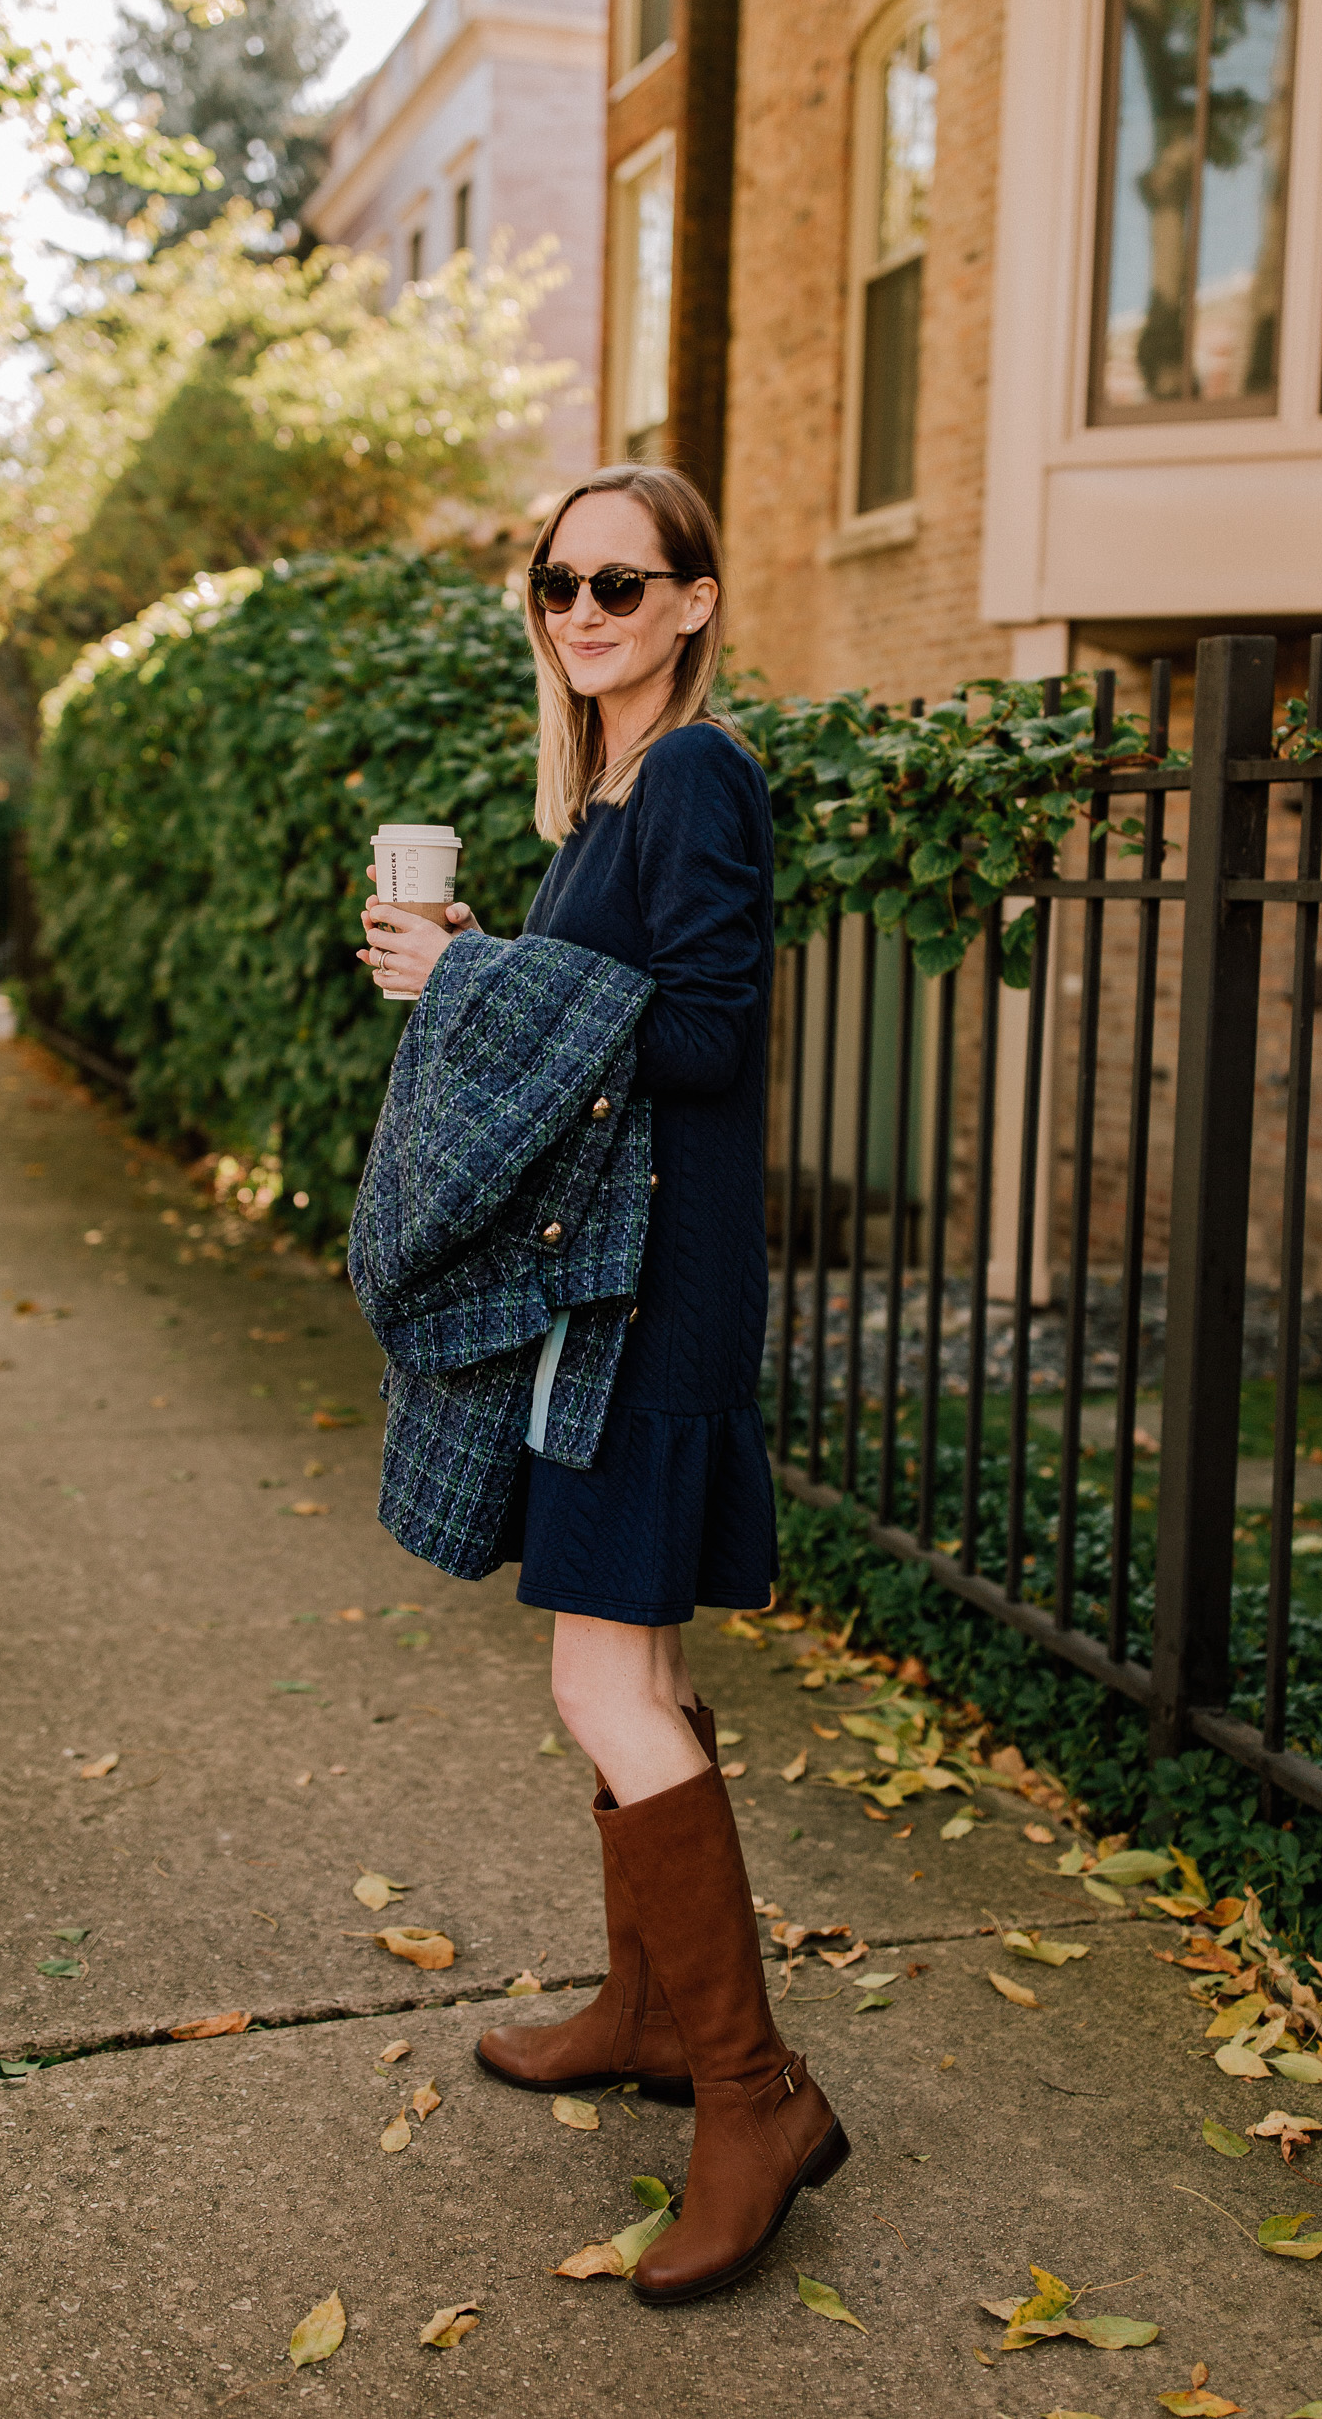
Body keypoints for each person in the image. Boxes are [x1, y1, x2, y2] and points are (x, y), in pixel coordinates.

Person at [358, 464, 847, 2307]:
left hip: (662, 1294)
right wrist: (481, 976)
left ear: (697, 606)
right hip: (614, 1279)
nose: (583, 614)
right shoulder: (606, 802)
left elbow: (712, 1042)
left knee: (595, 1667)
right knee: (628, 1668)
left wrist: (481, 974)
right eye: (557, 585)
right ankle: (652, 2012)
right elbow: (602, 1027)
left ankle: (756, 2091)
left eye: (623, 588)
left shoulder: (702, 777)